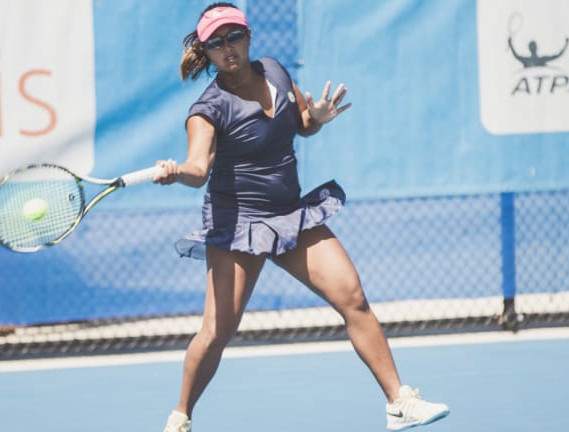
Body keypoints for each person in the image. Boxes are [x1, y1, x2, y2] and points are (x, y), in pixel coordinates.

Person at [153, 3, 450, 431]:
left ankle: (398, 401)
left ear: (248, 36)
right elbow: (198, 170)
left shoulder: (273, 71)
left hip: (291, 214)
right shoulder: (207, 110)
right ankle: (180, 417)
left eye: (234, 36)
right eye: (216, 43)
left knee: (353, 297)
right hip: (239, 225)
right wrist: (177, 171)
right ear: (206, 51)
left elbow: (302, 123)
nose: (228, 48)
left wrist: (318, 119)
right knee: (217, 332)